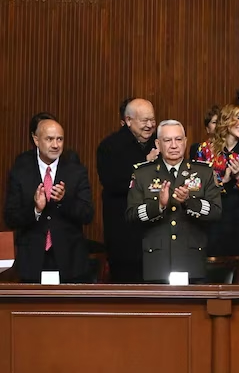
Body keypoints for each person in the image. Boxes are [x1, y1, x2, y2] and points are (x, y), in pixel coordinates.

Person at [126, 120, 221, 283]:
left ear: (185, 141)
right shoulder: (143, 173)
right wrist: (159, 206)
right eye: (167, 140)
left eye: (178, 139)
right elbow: (131, 215)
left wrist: (189, 202)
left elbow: (216, 212)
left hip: (191, 260)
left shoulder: (203, 172)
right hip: (157, 262)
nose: (174, 145)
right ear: (157, 143)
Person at [4, 118, 94, 283]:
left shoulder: (76, 171)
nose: (55, 145)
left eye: (59, 139)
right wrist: (36, 210)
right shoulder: (20, 172)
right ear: (36, 140)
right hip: (32, 261)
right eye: (49, 139)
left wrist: (63, 200)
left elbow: (87, 214)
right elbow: (10, 218)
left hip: (70, 261)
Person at [96, 98, 158, 283]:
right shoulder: (110, 146)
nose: (149, 125)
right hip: (125, 237)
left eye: (152, 120)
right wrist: (145, 167)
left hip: (157, 237)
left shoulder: (160, 142)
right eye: (144, 121)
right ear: (128, 120)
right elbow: (113, 183)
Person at [195, 104, 239, 259]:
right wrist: (224, 181)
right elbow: (199, 189)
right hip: (216, 216)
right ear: (226, 119)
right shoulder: (205, 149)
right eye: (238, 118)